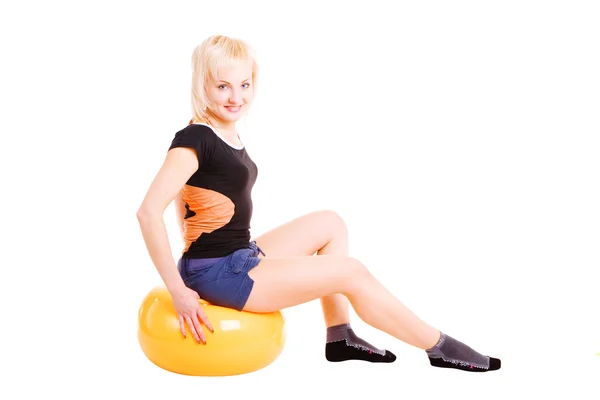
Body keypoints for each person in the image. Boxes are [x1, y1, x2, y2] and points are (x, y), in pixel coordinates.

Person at [136, 34, 501, 372]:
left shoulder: (222, 131)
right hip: (217, 272)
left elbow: (186, 199)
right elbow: (148, 211)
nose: (236, 97)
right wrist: (179, 289)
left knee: (330, 223)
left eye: (244, 85)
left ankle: (339, 335)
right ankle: (437, 346)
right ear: (203, 86)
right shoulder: (195, 137)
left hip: (236, 254)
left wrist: (197, 238)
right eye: (223, 86)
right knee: (351, 271)